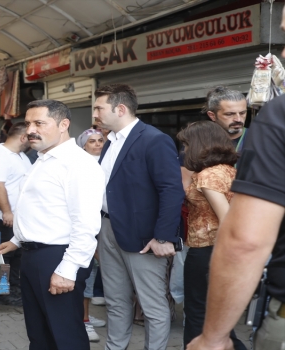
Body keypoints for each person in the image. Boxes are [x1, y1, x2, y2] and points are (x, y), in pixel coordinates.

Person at [187, 15, 285, 347]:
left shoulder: (276, 121)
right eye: (231, 114)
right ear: (212, 117)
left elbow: (246, 239)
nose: (239, 119)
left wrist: (213, 338)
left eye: (242, 113)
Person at [0, 100, 105, 349]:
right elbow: (43, 210)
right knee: (40, 336)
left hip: (58, 258)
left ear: (64, 124)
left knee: (65, 337)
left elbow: (86, 225)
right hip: (35, 257)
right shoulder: (43, 159)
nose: (31, 129)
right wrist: (16, 241)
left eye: (40, 123)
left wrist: (67, 270)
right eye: (29, 123)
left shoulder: (78, 164)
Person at [93, 83, 184, 350]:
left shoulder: (154, 139)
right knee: (115, 300)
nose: (96, 113)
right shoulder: (110, 141)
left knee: (152, 304)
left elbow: (171, 190)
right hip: (108, 229)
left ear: (120, 109)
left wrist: (163, 237)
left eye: (99, 108)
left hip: (144, 237)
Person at [177, 121, 246, 350]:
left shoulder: (207, 175)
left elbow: (226, 218)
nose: (185, 150)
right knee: (217, 320)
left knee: (198, 316)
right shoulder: (228, 169)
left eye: (187, 144)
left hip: (208, 251)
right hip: (219, 252)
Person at [0, 122, 32, 306]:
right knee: (6, 255)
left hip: (19, 216)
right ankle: (3, 293)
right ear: (23, 138)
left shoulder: (20, 156)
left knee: (18, 254)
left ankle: (15, 289)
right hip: (5, 216)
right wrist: (7, 212)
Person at [77, 127, 107, 342]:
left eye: (100, 140)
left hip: (104, 222)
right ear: (83, 145)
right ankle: (83, 321)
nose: (97, 144)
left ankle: (84, 316)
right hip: (88, 224)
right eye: (92, 141)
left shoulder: (107, 162)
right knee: (85, 270)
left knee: (93, 270)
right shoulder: (81, 166)